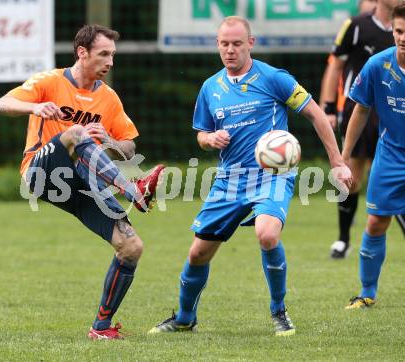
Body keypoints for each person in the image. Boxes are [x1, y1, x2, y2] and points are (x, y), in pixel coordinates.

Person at [148, 16, 352, 337]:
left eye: (237, 44)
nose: (230, 50)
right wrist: (209, 139)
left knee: (267, 234)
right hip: (229, 180)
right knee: (198, 253)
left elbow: (316, 115)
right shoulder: (210, 88)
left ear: (250, 44)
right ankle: (185, 318)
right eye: (224, 44)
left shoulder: (274, 78)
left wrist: (337, 161)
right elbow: (201, 134)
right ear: (217, 45)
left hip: (273, 174)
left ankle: (279, 311)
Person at [0, 24, 165, 340]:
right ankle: (134, 189)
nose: (110, 61)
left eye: (112, 54)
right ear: (82, 53)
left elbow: (129, 146)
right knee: (76, 133)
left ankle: (101, 327)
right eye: (104, 54)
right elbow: (1, 103)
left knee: (131, 246)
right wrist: (34, 106)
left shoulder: (108, 97)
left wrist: (111, 141)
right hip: (41, 173)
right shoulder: (50, 81)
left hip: (83, 180)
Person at [320, 0, 405, 259]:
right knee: (352, 178)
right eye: (398, 32)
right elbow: (335, 64)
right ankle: (343, 239)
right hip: (362, 108)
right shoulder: (356, 25)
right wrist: (329, 107)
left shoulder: (402, 21)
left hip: (393, 111)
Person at [343, 3, 405, 309]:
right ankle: (367, 293)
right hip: (391, 156)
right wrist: (344, 154)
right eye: (399, 31)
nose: (403, 37)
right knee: (376, 223)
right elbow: (361, 109)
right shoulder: (377, 65)